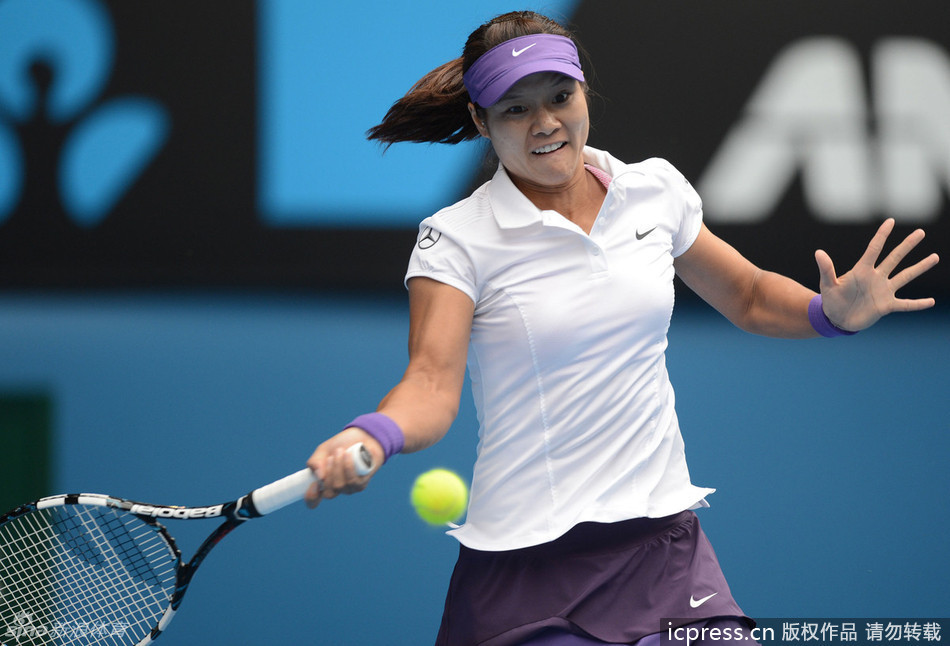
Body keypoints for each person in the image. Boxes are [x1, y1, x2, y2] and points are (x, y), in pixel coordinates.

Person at [303, 10, 939, 646]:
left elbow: (746, 294)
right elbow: (430, 382)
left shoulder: (653, 192)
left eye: (560, 97)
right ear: (480, 121)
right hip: (529, 568)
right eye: (516, 110)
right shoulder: (457, 239)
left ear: (584, 91)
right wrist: (376, 433)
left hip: (664, 544)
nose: (547, 123)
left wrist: (828, 315)